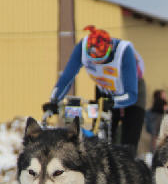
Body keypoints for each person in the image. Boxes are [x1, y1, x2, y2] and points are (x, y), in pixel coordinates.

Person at [42, 25, 147, 155]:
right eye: (92, 60)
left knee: (129, 143)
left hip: (129, 91)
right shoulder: (82, 47)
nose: (96, 63)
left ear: (109, 51)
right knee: (100, 140)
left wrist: (113, 103)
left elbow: (131, 95)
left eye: (100, 60)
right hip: (105, 90)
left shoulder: (124, 52)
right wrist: (54, 100)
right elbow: (67, 77)